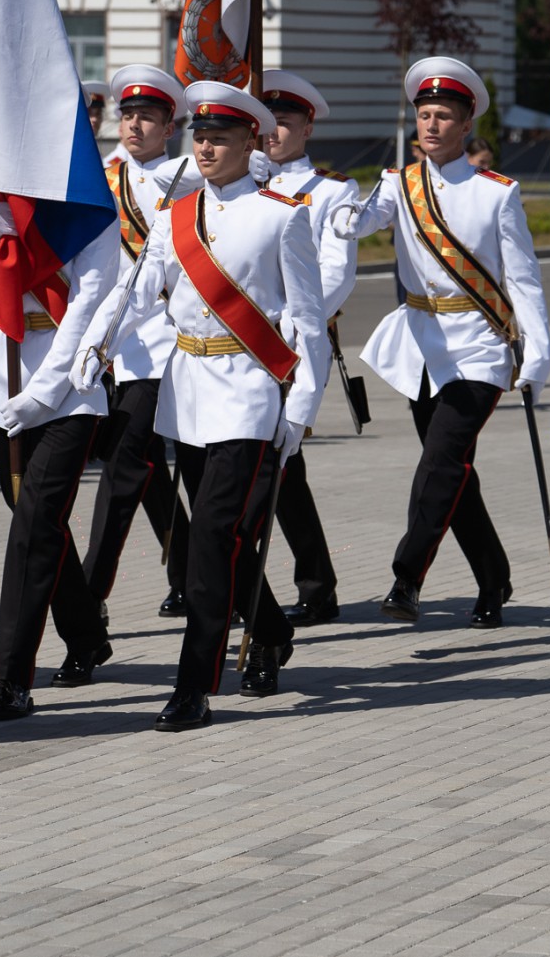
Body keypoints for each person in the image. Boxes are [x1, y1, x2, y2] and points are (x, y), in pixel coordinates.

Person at [79, 81, 325, 729]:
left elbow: (308, 323)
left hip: (249, 391)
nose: (207, 146)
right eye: (201, 135)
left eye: (221, 136)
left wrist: (299, 405)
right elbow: (137, 292)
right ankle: (268, 627)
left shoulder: (282, 214)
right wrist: (98, 341)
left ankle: (195, 685)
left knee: (212, 541)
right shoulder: (175, 216)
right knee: (227, 544)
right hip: (186, 391)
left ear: (252, 141)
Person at [341, 58, 550, 628]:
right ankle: (494, 578)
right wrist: (312, 199)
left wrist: (537, 352)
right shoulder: (398, 185)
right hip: (422, 346)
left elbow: (523, 277)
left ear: (465, 126)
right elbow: (356, 225)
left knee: (439, 464)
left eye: (443, 117)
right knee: (454, 473)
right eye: (424, 115)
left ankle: (406, 578)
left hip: (479, 346)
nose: (430, 126)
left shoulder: (496, 194)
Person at [0, 171, 119, 721]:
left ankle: (11, 678)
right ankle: (85, 637)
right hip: (4, 376)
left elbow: (87, 307)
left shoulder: (87, 206)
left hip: (69, 386)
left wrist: (44, 393)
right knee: (40, 521)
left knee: (32, 530)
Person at [76, 65, 201, 620]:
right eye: (127, 115)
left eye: (146, 116)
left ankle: (88, 595)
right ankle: (189, 572)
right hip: (117, 342)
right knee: (145, 468)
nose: (133, 125)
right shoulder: (103, 177)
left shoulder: (191, 174)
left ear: (169, 125)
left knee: (125, 467)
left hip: (170, 340)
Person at [257, 69, 358, 625]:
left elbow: (337, 273)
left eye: (285, 123)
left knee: (278, 463)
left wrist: (297, 328)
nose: (273, 133)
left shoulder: (333, 191)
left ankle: (313, 584)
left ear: (307, 127)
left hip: (290, 344)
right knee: (277, 469)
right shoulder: (237, 183)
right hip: (235, 345)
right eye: (266, 123)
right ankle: (315, 583)